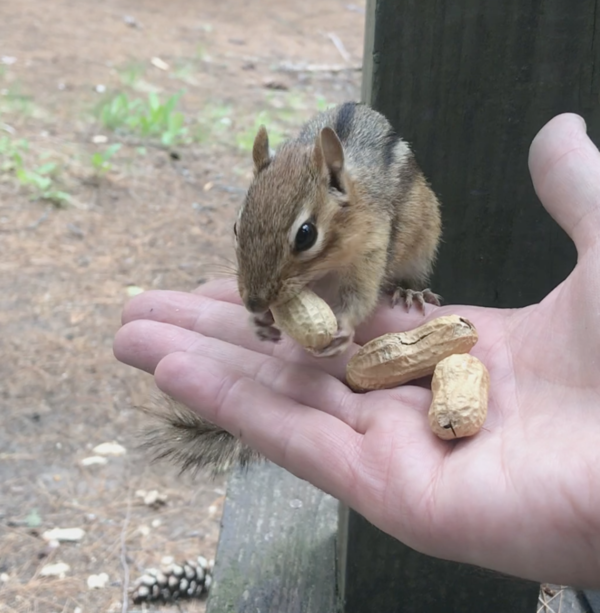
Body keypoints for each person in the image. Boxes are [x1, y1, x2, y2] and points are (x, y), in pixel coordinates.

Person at [113, 113, 600, 588]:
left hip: (394, 240)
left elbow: (363, 280)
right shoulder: (284, 191)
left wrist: (344, 322)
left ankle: (407, 285)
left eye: (304, 238)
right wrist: (272, 303)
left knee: (403, 240)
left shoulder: (361, 212)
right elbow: (265, 270)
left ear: (337, 185)